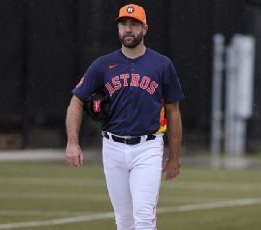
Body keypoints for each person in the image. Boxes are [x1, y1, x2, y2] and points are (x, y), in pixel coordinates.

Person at [65, 3, 184, 230]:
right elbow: (76, 101)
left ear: (145, 29)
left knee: (144, 217)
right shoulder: (102, 65)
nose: (128, 29)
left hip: (147, 147)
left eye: (134, 24)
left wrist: (175, 156)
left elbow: (173, 112)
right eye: (123, 24)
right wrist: (72, 142)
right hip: (112, 147)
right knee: (124, 221)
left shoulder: (161, 64)